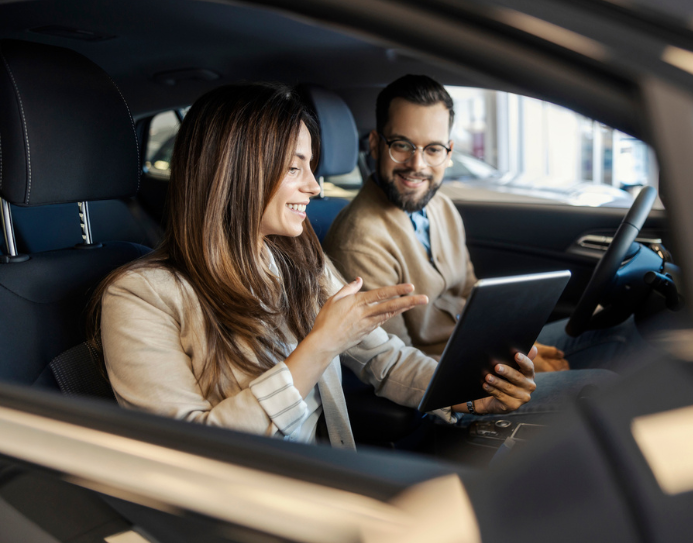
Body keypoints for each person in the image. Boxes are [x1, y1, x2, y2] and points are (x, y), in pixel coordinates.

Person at [90, 82, 576, 451]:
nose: (316, 188)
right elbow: (185, 449)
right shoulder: (141, 296)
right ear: (237, 171)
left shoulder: (300, 258)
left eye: (312, 168)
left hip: (327, 469)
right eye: (295, 167)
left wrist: (470, 398)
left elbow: (386, 360)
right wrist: (319, 345)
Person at [323, 75, 644, 374]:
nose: (417, 165)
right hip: (452, 383)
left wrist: (516, 348)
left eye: (433, 149)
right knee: (602, 386)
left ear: (448, 153)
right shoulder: (359, 241)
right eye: (402, 145)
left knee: (620, 328)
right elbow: (398, 365)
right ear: (377, 145)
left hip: (482, 351)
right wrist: (504, 366)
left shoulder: (440, 205)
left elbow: (469, 295)